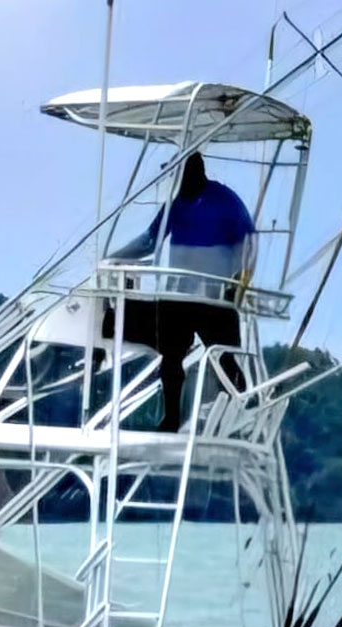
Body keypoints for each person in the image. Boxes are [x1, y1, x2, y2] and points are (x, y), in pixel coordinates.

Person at [103, 152, 254, 432]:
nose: (177, 181)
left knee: (223, 357)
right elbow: (151, 240)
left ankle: (241, 408)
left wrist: (240, 283)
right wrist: (113, 257)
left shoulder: (226, 202)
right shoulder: (176, 206)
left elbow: (248, 243)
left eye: (180, 175)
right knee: (171, 359)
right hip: (178, 294)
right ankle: (171, 417)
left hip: (214, 296)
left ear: (196, 173)